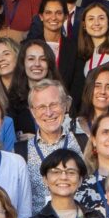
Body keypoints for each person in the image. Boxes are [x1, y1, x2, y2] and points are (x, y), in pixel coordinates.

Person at [18, 79, 88, 210]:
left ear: (65, 106)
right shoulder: (20, 152)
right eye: (41, 107)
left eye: (54, 104)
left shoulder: (84, 143)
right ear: (32, 112)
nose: (49, 113)